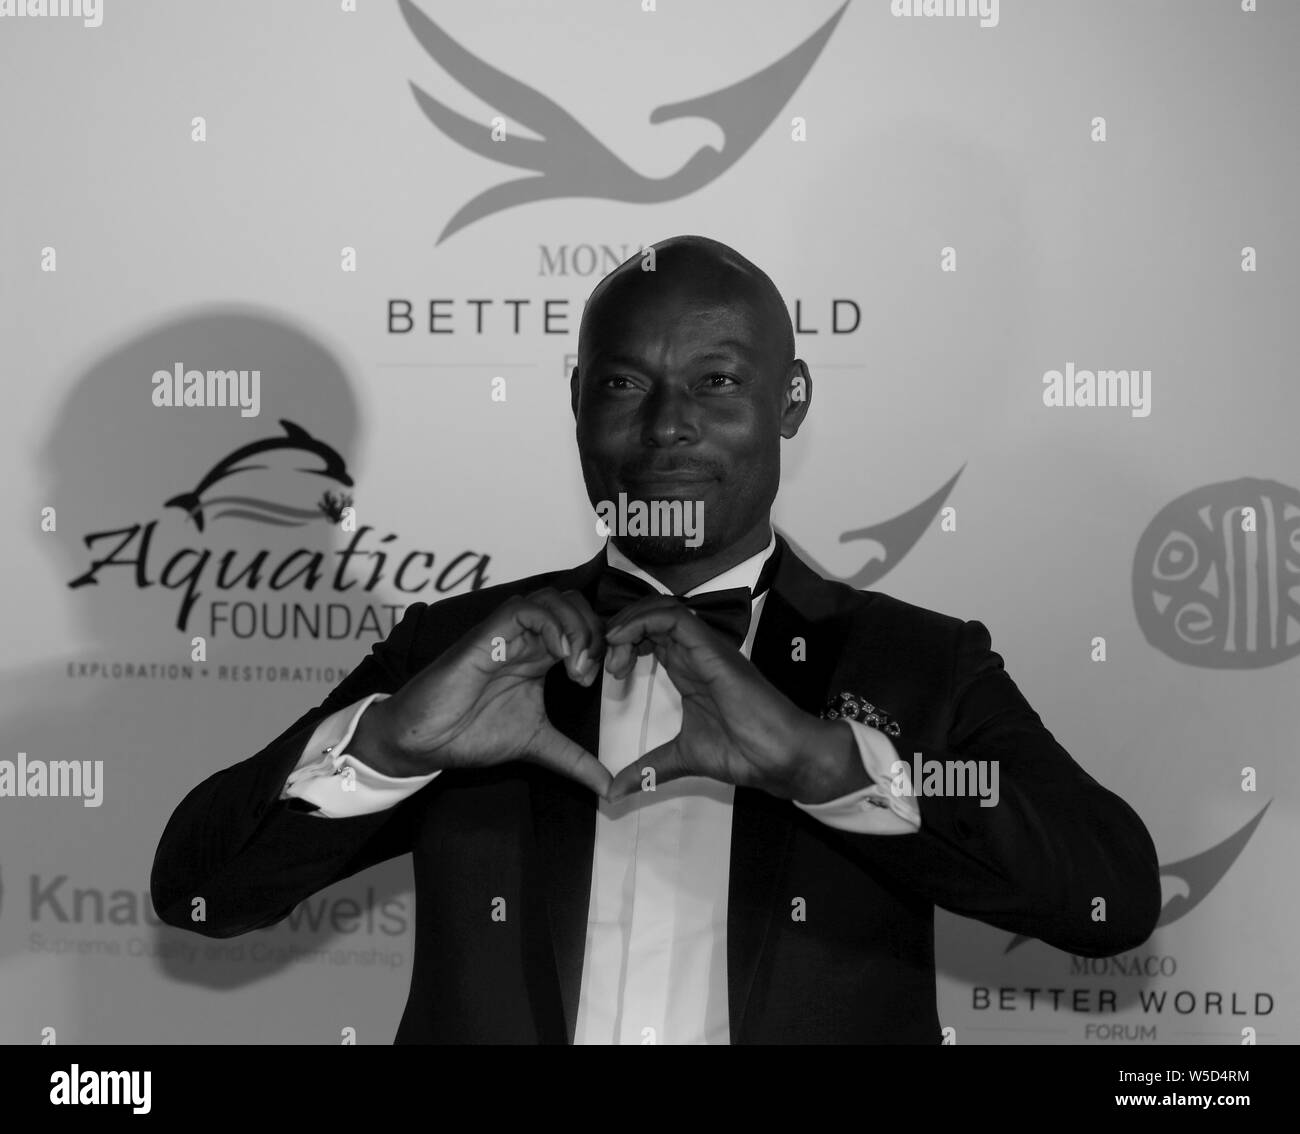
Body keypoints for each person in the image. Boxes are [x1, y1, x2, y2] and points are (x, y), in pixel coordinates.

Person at [151, 235, 1161, 1044]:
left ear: (791, 399)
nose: (668, 425)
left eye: (717, 382)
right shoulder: (463, 651)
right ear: (579, 402)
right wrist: (386, 750)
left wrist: (834, 771)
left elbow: (1109, 898)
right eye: (625, 385)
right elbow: (197, 895)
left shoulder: (917, 663)